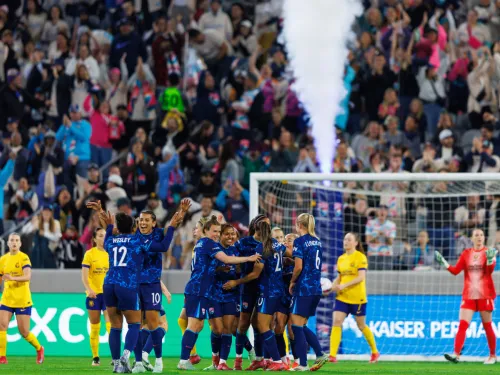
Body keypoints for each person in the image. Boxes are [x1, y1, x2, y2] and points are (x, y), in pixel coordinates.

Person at [95, 205, 182, 373]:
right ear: (134, 227)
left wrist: (109, 225)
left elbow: (106, 240)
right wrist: (171, 227)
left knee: (115, 326)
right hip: (127, 285)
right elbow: (163, 247)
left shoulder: (111, 240)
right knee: (135, 325)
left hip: (108, 284)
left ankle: (115, 363)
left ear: (118, 228)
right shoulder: (138, 241)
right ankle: (126, 358)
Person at [176, 216, 261, 370]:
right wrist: (249, 258)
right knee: (194, 325)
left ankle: (190, 359)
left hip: (201, 290)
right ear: (206, 231)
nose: (216, 234)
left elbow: (210, 265)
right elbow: (227, 259)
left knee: (199, 325)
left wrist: (220, 270)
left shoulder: (202, 243)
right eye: (214, 231)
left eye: (217, 231)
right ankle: (184, 360)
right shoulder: (208, 243)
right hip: (200, 289)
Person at [132, 200, 190, 374]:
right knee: (136, 325)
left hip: (151, 285)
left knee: (155, 323)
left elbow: (172, 224)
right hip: (134, 285)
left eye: (146, 220)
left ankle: (158, 360)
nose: (142, 223)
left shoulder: (157, 234)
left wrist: (182, 211)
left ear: (153, 222)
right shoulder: (134, 237)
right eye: (140, 220)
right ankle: (139, 362)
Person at [435, 229, 497, 365]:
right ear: (472, 238)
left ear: (484, 237)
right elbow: (456, 271)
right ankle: (456, 355)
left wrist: (491, 259)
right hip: (469, 295)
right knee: (463, 325)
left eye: (481, 235)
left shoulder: (489, 252)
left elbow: (490, 271)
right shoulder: (466, 254)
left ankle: (492, 356)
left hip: (484, 294)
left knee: (487, 326)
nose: (479, 237)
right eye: (476, 235)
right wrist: (444, 263)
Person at [328, 232, 379, 364]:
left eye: (349, 239)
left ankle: (374, 352)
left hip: (358, 298)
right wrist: (330, 287)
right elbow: (339, 277)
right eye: (345, 239)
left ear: (356, 243)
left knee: (361, 325)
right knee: (337, 321)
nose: (346, 242)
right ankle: (332, 355)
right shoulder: (341, 259)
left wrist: (344, 285)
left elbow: (361, 277)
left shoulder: (360, 257)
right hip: (342, 297)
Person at [288, 213, 329, 372]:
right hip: (316, 289)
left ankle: (306, 362)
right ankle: (317, 355)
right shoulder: (317, 241)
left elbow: (298, 267)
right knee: (301, 325)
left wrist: (292, 282)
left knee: (296, 326)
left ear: (299, 224)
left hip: (304, 287)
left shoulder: (300, 241)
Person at [0, 233, 45, 365]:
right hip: (7, 298)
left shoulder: (24, 258)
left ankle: (39, 348)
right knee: (2, 326)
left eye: (17, 240)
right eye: (12, 240)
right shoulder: (2, 260)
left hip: (22, 300)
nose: (14, 242)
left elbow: (27, 276)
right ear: (8, 243)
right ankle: (2, 357)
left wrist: (12, 278)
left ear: (20, 244)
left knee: (24, 332)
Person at [205, 224, 241, 370]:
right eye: (227, 234)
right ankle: (215, 358)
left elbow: (240, 272)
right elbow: (205, 271)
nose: (230, 237)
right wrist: (219, 269)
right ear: (220, 235)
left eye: (232, 234)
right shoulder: (213, 249)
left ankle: (222, 363)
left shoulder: (237, 251)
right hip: (213, 294)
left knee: (227, 329)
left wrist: (237, 278)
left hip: (230, 295)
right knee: (217, 329)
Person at [253, 220, 288, 371]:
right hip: (280, 289)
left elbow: (256, 273)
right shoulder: (278, 244)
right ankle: (279, 360)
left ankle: (277, 361)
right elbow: (291, 255)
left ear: (259, 232)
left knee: (263, 326)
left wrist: (237, 281)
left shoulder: (262, 247)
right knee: (275, 327)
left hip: (268, 291)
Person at [81, 228, 110, 366]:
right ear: (94, 239)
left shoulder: (111, 253)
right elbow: (84, 277)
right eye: (100, 236)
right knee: (95, 326)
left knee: (111, 326)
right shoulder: (89, 254)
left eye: (105, 235)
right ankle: (95, 356)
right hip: (94, 294)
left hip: (108, 293)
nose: (103, 238)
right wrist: (89, 289)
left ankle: (115, 356)